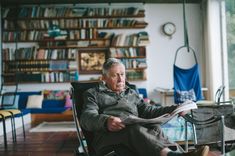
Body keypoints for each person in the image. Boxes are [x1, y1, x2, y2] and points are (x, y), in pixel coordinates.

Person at [80, 58, 209, 156]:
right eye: (115, 75)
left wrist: (176, 108)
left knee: (155, 128)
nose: (121, 80)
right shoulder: (93, 93)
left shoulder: (130, 92)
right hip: (107, 138)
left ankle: (181, 154)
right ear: (104, 78)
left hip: (132, 134)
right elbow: (87, 117)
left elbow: (148, 110)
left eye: (122, 74)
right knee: (134, 129)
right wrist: (106, 121)